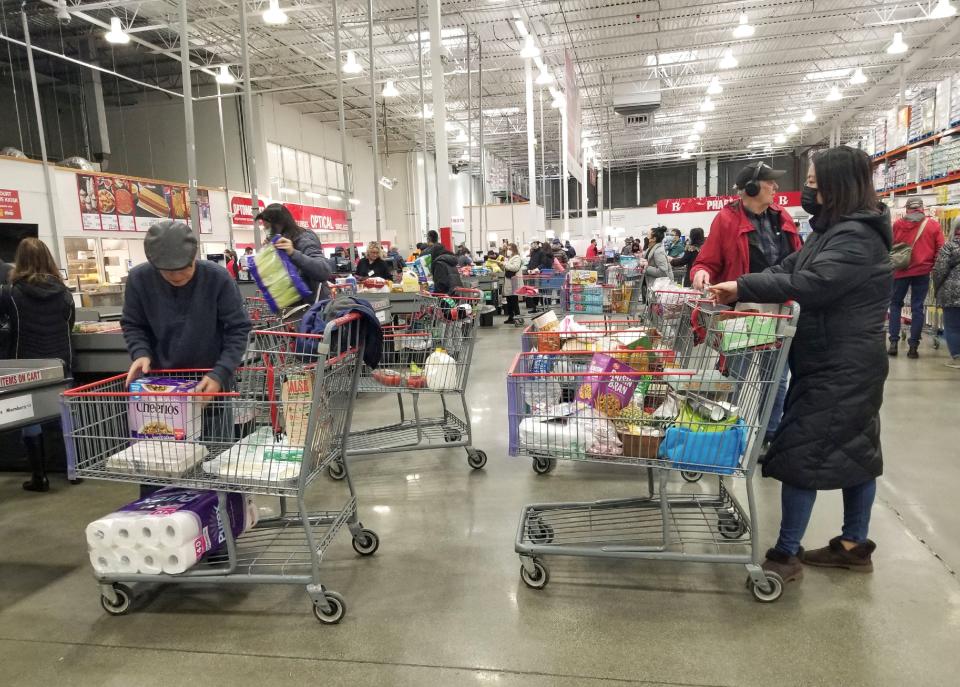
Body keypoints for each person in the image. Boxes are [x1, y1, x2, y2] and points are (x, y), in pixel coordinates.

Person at [709, 146, 892, 584]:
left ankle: (785, 554)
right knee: (857, 452)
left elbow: (812, 283)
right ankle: (853, 545)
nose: (804, 189)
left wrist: (743, 286)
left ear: (836, 186)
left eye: (811, 183)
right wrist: (745, 286)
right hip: (837, 359)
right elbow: (790, 266)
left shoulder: (855, 238)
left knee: (799, 455)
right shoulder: (833, 231)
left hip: (841, 364)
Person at [691, 161, 802, 443]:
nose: (776, 187)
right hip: (741, 313)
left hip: (779, 311)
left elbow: (799, 258)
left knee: (775, 379)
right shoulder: (727, 219)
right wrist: (701, 272)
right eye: (769, 182)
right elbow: (707, 260)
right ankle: (727, 432)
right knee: (733, 377)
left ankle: (770, 436)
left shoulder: (783, 217)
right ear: (751, 188)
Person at [0, 238, 74, 492]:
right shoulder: (64, 293)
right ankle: (73, 470)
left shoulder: (9, 293)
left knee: (30, 418)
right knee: (65, 414)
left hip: (26, 364)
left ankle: (40, 476)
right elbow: (69, 324)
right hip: (60, 361)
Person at [887, 197, 945, 358]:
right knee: (918, 307)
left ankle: (893, 342)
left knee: (895, 304)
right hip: (922, 272)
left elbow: (890, 246)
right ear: (922, 208)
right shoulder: (933, 225)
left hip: (900, 271)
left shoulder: (898, 224)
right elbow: (940, 248)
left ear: (907, 209)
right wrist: (933, 266)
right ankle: (913, 347)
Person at [255, 203, 333, 302]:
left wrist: (293, 253)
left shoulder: (304, 239)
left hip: (313, 309)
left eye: (268, 228)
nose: (267, 232)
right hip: (293, 308)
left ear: (280, 224)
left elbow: (324, 271)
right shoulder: (279, 243)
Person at [932, 219, 960, 368]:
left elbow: (939, 271)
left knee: (953, 326)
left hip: (951, 293)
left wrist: (936, 288)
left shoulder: (948, 247)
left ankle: (957, 358)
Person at [423, 230, 462, 294]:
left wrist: (431, 292)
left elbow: (441, 286)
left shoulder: (439, 264)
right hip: (456, 293)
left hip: (447, 297)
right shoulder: (449, 259)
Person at [641, 226, 672, 295]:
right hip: (652, 286)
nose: (646, 237)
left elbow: (663, 272)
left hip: (659, 288)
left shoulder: (658, 251)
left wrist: (646, 267)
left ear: (654, 239)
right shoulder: (650, 249)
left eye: (648, 235)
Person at [502, 242, 523, 325]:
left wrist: (506, 264)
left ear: (514, 249)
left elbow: (515, 268)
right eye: (507, 249)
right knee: (509, 300)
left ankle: (517, 316)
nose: (508, 250)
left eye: (510, 249)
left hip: (514, 282)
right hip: (509, 281)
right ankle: (511, 317)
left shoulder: (517, 258)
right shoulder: (510, 258)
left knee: (514, 300)